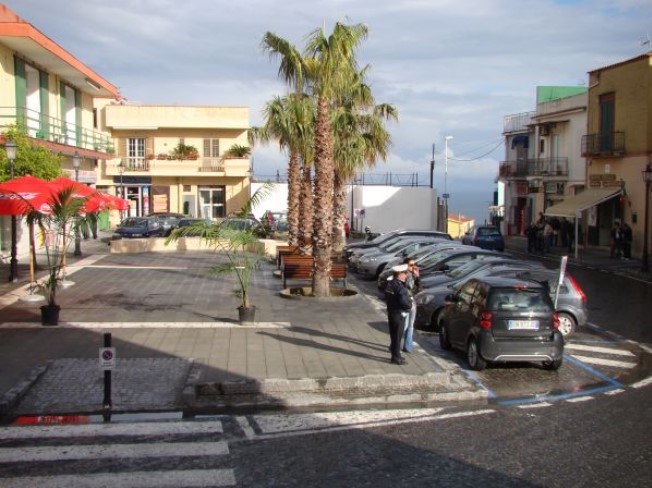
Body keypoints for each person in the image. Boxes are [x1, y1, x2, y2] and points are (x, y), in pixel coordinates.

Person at [384, 264, 413, 365]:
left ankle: (396, 355)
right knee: (397, 336)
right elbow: (404, 302)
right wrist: (410, 305)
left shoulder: (390, 284)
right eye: (405, 273)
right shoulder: (400, 287)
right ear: (400, 274)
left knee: (394, 335)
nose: (406, 275)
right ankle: (396, 358)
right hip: (399, 314)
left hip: (391, 312)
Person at [402, 257, 421, 353]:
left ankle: (407, 346)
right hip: (408, 302)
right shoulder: (407, 275)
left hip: (411, 302)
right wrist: (416, 277)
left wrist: (416, 277)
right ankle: (405, 346)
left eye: (414, 265)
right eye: (411, 265)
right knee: (407, 325)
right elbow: (411, 288)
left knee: (409, 325)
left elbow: (417, 289)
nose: (413, 267)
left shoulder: (410, 275)